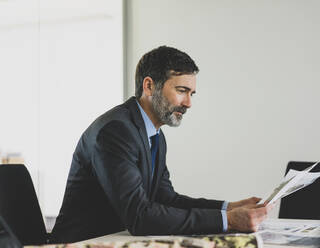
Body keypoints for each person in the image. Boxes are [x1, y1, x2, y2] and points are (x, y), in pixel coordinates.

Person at [50, 46, 272, 243]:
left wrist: (228, 208)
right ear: (149, 86)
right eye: (181, 91)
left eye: (191, 93)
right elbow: (140, 216)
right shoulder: (115, 131)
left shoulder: (154, 135)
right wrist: (228, 220)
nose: (188, 103)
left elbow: (166, 199)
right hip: (81, 244)